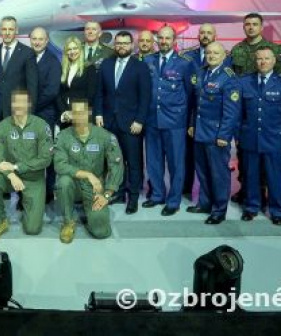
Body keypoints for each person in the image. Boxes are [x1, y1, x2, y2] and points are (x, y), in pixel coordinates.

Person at [236, 48, 281, 226]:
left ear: (274, 61)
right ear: (255, 61)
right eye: (259, 59)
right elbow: (238, 113)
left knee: (276, 177)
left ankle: (277, 211)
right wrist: (238, 135)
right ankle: (251, 207)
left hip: (275, 140)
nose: (263, 62)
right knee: (251, 176)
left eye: (267, 58)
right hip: (250, 138)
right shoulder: (244, 82)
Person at [229, 13, 281, 203]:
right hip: (246, 110)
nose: (251, 27)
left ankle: (272, 194)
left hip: (269, 109)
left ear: (261, 27)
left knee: (272, 162)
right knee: (247, 159)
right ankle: (247, 191)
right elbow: (233, 80)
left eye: (255, 24)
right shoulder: (237, 50)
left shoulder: (275, 50)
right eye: (247, 24)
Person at [142, 26, 198, 216]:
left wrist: (189, 121)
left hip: (175, 121)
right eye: (161, 38)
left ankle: (173, 201)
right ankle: (157, 195)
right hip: (152, 119)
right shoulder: (148, 60)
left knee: (176, 164)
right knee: (153, 162)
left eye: (167, 38)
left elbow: (191, 94)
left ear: (174, 41)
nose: (163, 41)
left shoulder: (185, 63)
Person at [94, 31, 151, 213]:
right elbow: (99, 92)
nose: (121, 46)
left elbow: (145, 97)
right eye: (118, 43)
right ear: (114, 45)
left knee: (133, 163)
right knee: (114, 161)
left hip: (131, 123)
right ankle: (117, 193)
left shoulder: (140, 67)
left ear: (132, 45)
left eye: (125, 43)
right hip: (109, 122)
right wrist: (98, 114)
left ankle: (133, 197)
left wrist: (139, 120)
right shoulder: (106, 64)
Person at [0, 89, 52, 241]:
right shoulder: (2, 127)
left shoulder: (41, 126)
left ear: (29, 104)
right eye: (16, 102)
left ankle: (28, 205)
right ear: (11, 104)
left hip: (33, 178)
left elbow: (45, 159)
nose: (19, 105)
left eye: (23, 102)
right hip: (9, 177)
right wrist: (11, 175)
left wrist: (16, 167)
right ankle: (0, 221)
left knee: (33, 229)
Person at [54, 99, 123, 243]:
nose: (79, 116)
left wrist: (106, 195)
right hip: (73, 184)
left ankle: (91, 212)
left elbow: (116, 166)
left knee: (101, 232)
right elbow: (59, 165)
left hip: (94, 187)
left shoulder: (104, 136)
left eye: (82, 112)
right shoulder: (63, 137)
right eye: (75, 112)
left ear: (89, 113)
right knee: (63, 181)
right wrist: (88, 174)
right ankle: (68, 222)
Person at [187, 42, 240, 225]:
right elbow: (197, 103)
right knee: (202, 171)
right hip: (200, 131)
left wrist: (224, 135)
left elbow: (231, 112)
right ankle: (205, 203)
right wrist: (192, 124)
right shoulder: (202, 72)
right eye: (208, 52)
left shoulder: (229, 78)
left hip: (216, 134)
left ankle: (219, 210)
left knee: (219, 174)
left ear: (224, 56)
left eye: (216, 53)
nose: (211, 56)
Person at [30, 27, 60, 202]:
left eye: (40, 39)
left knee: (46, 153)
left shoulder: (53, 61)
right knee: (28, 152)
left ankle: (48, 191)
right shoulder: (27, 58)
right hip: (27, 114)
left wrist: (31, 107)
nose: (37, 42)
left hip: (45, 113)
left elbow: (52, 91)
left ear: (47, 40)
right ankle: (30, 190)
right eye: (34, 39)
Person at [0, 16, 38, 122]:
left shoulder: (27, 53)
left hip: (19, 112)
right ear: (0, 30)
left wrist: (29, 114)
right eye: (4, 29)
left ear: (16, 30)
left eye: (10, 29)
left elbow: (32, 87)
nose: (7, 33)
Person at [59, 36, 98, 129]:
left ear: (80, 49)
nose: (72, 52)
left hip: (82, 116)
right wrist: (64, 112)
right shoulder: (63, 68)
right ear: (66, 52)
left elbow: (91, 95)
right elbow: (59, 93)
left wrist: (74, 113)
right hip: (66, 116)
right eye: (69, 49)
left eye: (75, 48)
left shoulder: (89, 68)